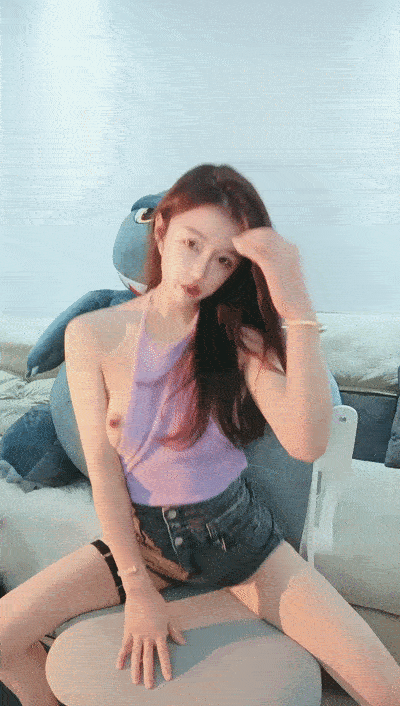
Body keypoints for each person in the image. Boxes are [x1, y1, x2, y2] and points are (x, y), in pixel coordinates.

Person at [0, 164, 399, 706]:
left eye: (224, 260)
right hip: (144, 546)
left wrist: (298, 311)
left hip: (241, 543)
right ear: (162, 229)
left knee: (385, 686)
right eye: (192, 243)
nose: (200, 271)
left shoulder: (238, 339)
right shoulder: (91, 334)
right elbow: (105, 473)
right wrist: (138, 591)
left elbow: (306, 444)